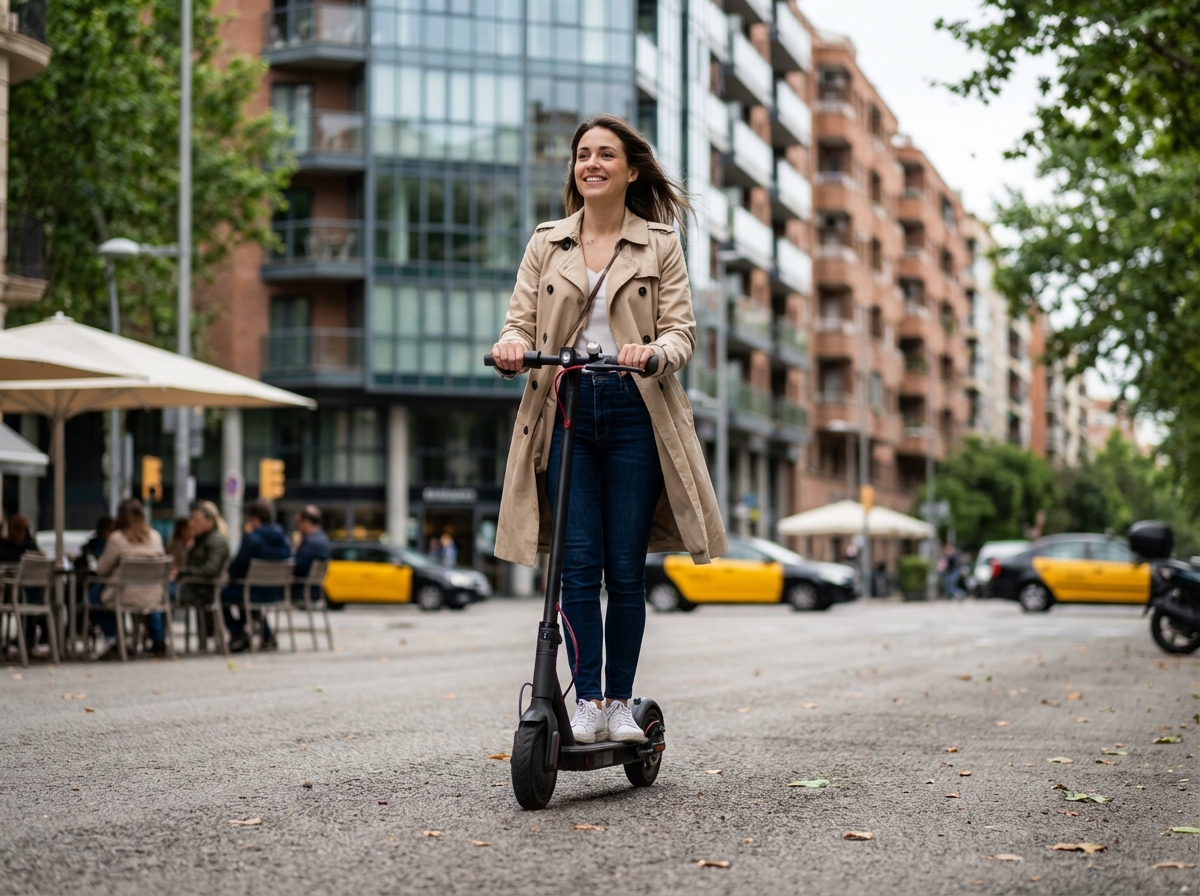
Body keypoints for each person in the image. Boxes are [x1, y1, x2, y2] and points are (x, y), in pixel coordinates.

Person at [490, 114, 726, 745]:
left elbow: (681, 332)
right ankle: (587, 701)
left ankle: (620, 702)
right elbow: (519, 321)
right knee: (576, 567)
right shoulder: (548, 242)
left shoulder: (659, 243)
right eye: (583, 155)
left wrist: (654, 353)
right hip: (564, 409)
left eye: (605, 154)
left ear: (631, 171)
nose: (591, 164)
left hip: (634, 410)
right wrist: (511, 346)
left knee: (623, 569)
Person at [91, 499, 168, 659]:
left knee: (92, 598)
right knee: (147, 602)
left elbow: (102, 570)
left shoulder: (117, 538)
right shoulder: (155, 536)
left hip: (124, 594)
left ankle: (114, 638)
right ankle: (158, 640)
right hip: (154, 595)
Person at [221, 499, 292, 652]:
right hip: (278, 592)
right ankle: (267, 635)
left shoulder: (252, 538)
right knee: (248, 595)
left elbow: (236, 568)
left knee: (223, 595)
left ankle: (237, 633)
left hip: (252, 591)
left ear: (255, 519)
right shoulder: (284, 540)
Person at [177, 501, 231, 650]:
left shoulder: (216, 541)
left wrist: (183, 572)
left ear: (210, 521)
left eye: (197, 520)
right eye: (192, 519)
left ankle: (157, 640)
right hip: (195, 585)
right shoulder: (199, 540)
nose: (193, 524)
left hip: (202, 588)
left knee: (158, 595)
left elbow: (210, 570)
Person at [293, 505, 331, 598]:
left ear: (306, 522)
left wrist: (295, 549)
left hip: (302, 591)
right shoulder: (323, 539)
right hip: (316, 590)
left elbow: (296, 566)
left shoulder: (311, 542)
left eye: (298, 522)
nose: (298, 527)